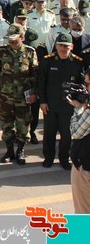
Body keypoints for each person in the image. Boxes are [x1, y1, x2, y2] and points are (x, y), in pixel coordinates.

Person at [0, 23, 38, 165]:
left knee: (23, 124)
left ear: (22, 37)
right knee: (7, 124)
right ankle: (9, 150)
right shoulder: (2, 52)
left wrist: (34, 93)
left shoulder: (30, 52)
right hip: (6, 96)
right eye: (9, 39)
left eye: (14, 39)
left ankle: (20, 150)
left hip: (23, 96)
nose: (11, 41)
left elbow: (35, 75)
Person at [37, 33, 85, 170]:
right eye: (61, 46)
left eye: (66, 46)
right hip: (50, 104)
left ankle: (64, 158)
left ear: (72, 47)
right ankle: (49, 157)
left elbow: (81, 85)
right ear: (56, 46)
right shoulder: (47, 61)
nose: (63, 49)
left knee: (66, 134)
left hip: (68, 105)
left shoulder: (77, 62)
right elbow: (41, 83)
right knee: (49, 133)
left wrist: (78, 104)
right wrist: (43, 102)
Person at [70, 71, 90, 214]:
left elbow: (75, 132)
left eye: (87, 84)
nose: (85, 88)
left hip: (85, 169)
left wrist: (78, 108)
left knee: (83, 214)